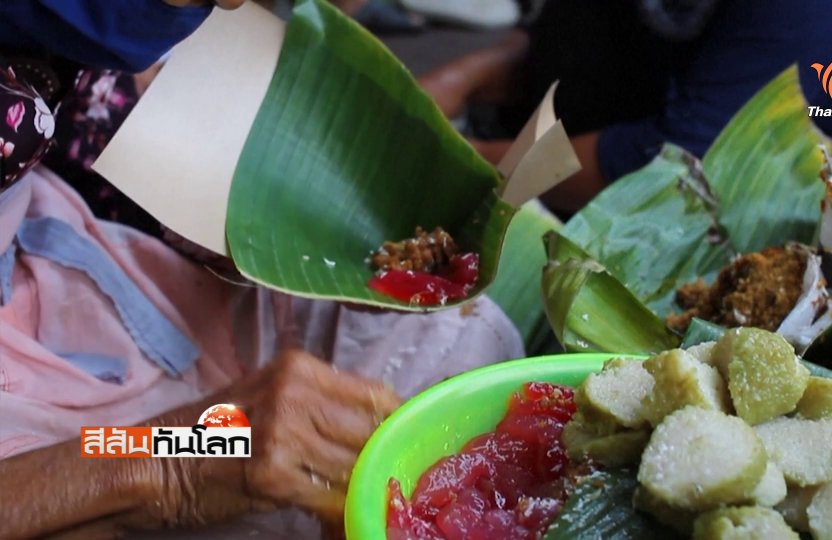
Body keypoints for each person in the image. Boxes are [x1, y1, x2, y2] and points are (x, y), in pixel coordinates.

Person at [0, 1, 523, 538]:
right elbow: (138, 454)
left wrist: (273, 233)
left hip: (65, 273)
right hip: (61, 451)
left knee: (454, 349)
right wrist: (171, 458)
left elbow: (99, 109)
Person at [420, 0, 832, 215]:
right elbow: (574, 31)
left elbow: (690, 153)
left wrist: (468, 161)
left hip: (805, 190)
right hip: (661, 107)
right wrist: (461, 78)